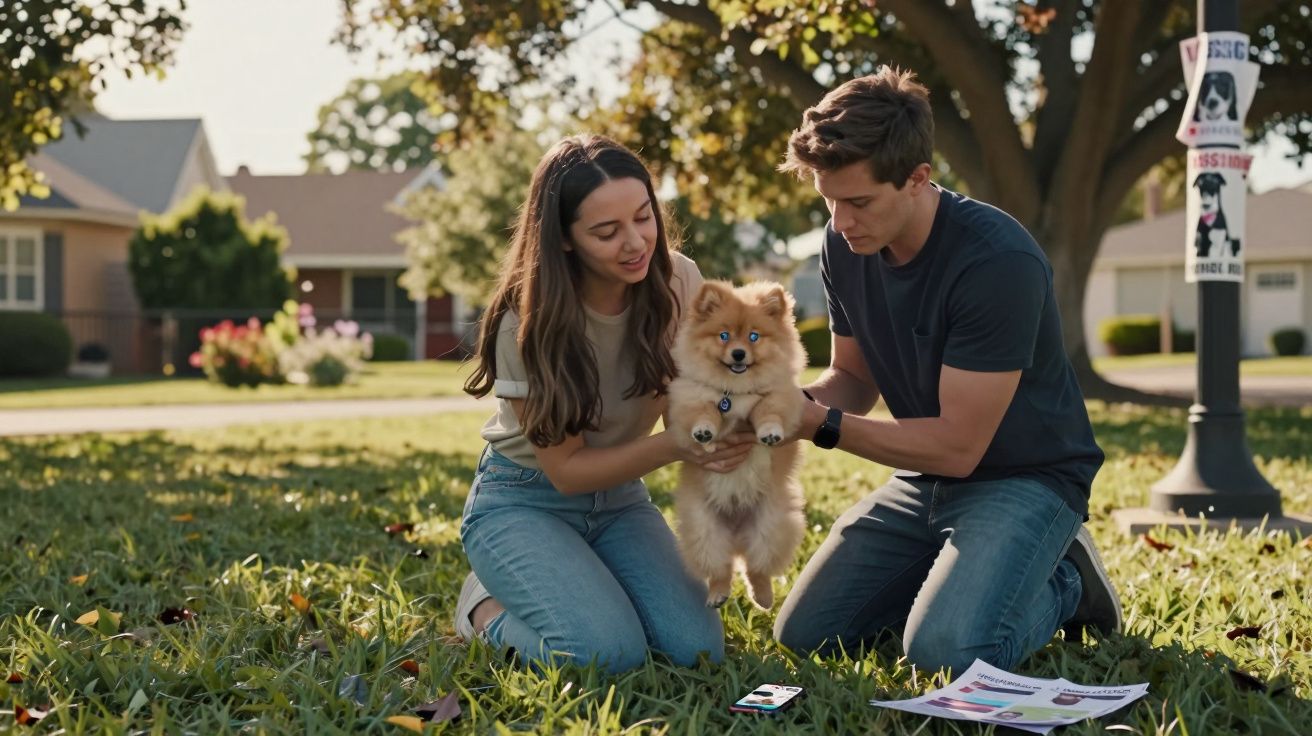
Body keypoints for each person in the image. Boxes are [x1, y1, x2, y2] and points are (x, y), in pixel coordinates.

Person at [772, 67, 1122, 675]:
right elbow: (852, 380)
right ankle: (963, 579)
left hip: (1025, 478)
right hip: (923, 477)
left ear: (917, 178)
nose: (841, 220)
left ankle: (1066, 580)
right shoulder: (843, 243)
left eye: (859, 202)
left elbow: (959, 448)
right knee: (808, 635)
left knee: (946, 653)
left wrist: (817, 424)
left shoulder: (997, 260)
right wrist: (782, 405)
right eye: (829, 200)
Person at [452, 134, 751, 673]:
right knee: (604, 656)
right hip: (524, 500)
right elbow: (567, 472)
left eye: (643, 217)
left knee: (696, 650)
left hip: (620, 500)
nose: (635, 243)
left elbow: (691, 406)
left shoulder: (679, 280)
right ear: (565, 239)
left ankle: (580, 575)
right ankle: (484, 607)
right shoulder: (526, 320)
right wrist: (679, 444)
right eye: (607, 232)